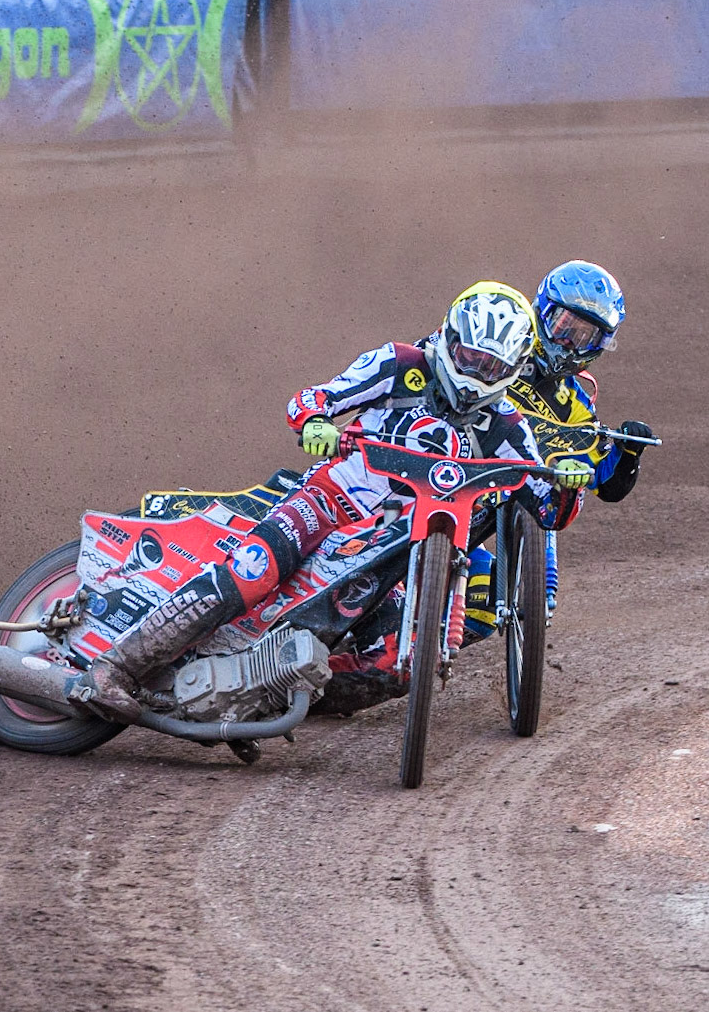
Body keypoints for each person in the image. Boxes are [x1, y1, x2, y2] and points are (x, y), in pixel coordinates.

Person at [80, 281, 594, 724]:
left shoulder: (508, 426)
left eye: (492, 365)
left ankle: (267, 699)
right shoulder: (400, 364)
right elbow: (314, 398)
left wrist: (569, 482)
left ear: (514, 367)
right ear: (450, 337)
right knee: (253, 571)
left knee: (403, 663)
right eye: (469, 356)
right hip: (330, 501)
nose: (476, 371)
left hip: (401, 545)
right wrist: (317, 423)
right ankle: (113, 669)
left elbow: (548, 510)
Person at [318, 261, 652, 714]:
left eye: (586, 337)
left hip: (503, 496)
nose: (570, 343)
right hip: (417, 486)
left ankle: (359, 676)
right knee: (361, 555)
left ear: (601, 346)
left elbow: (601, 480)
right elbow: (433, 364)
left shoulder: (578, 401)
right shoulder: (499, 344)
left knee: (484, 599)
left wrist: (625, 453)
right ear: (542, 311)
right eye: (564, 325)